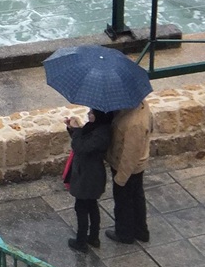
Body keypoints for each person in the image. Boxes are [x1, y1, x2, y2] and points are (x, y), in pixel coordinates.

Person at [64, 108, 115, 253]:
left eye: (91, 113)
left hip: (88, 176)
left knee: (82, 208)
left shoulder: (101, 134)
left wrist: (77, 130)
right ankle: (93, 237)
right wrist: (72, 128)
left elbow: (80, 147)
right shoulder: (97, 128)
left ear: (98, 116)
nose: (88, 115)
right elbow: (82, 140)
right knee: (91, 205)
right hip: (90, 174)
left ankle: (81, 242)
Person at [105, 97, 154, 245]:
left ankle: (124, 234)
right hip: (138, 164)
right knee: (137, 197)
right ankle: (141, 231)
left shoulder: (134, 123)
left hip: (126, 167)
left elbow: (129, 155)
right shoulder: (142, 105)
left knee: (123, 201)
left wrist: (121, 178)